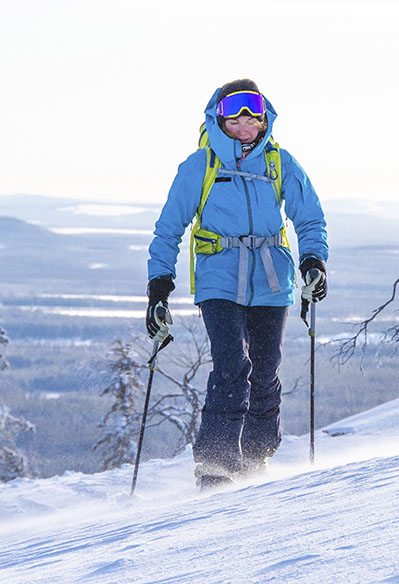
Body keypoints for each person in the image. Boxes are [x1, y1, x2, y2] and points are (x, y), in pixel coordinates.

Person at [145, 79, 328, 489]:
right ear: (219, 117)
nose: (246, 124)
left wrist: (314, 259)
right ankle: (215, 465)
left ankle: (256, 458)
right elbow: (168, 229)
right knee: (232, 365)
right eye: (236, 115)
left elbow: (310, 218)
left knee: (265, 369)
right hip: (219, 280)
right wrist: (159, 285)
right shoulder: (200, 166)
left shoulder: (281, 164)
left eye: (254, 115)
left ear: (265, 119)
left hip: (271, 280)